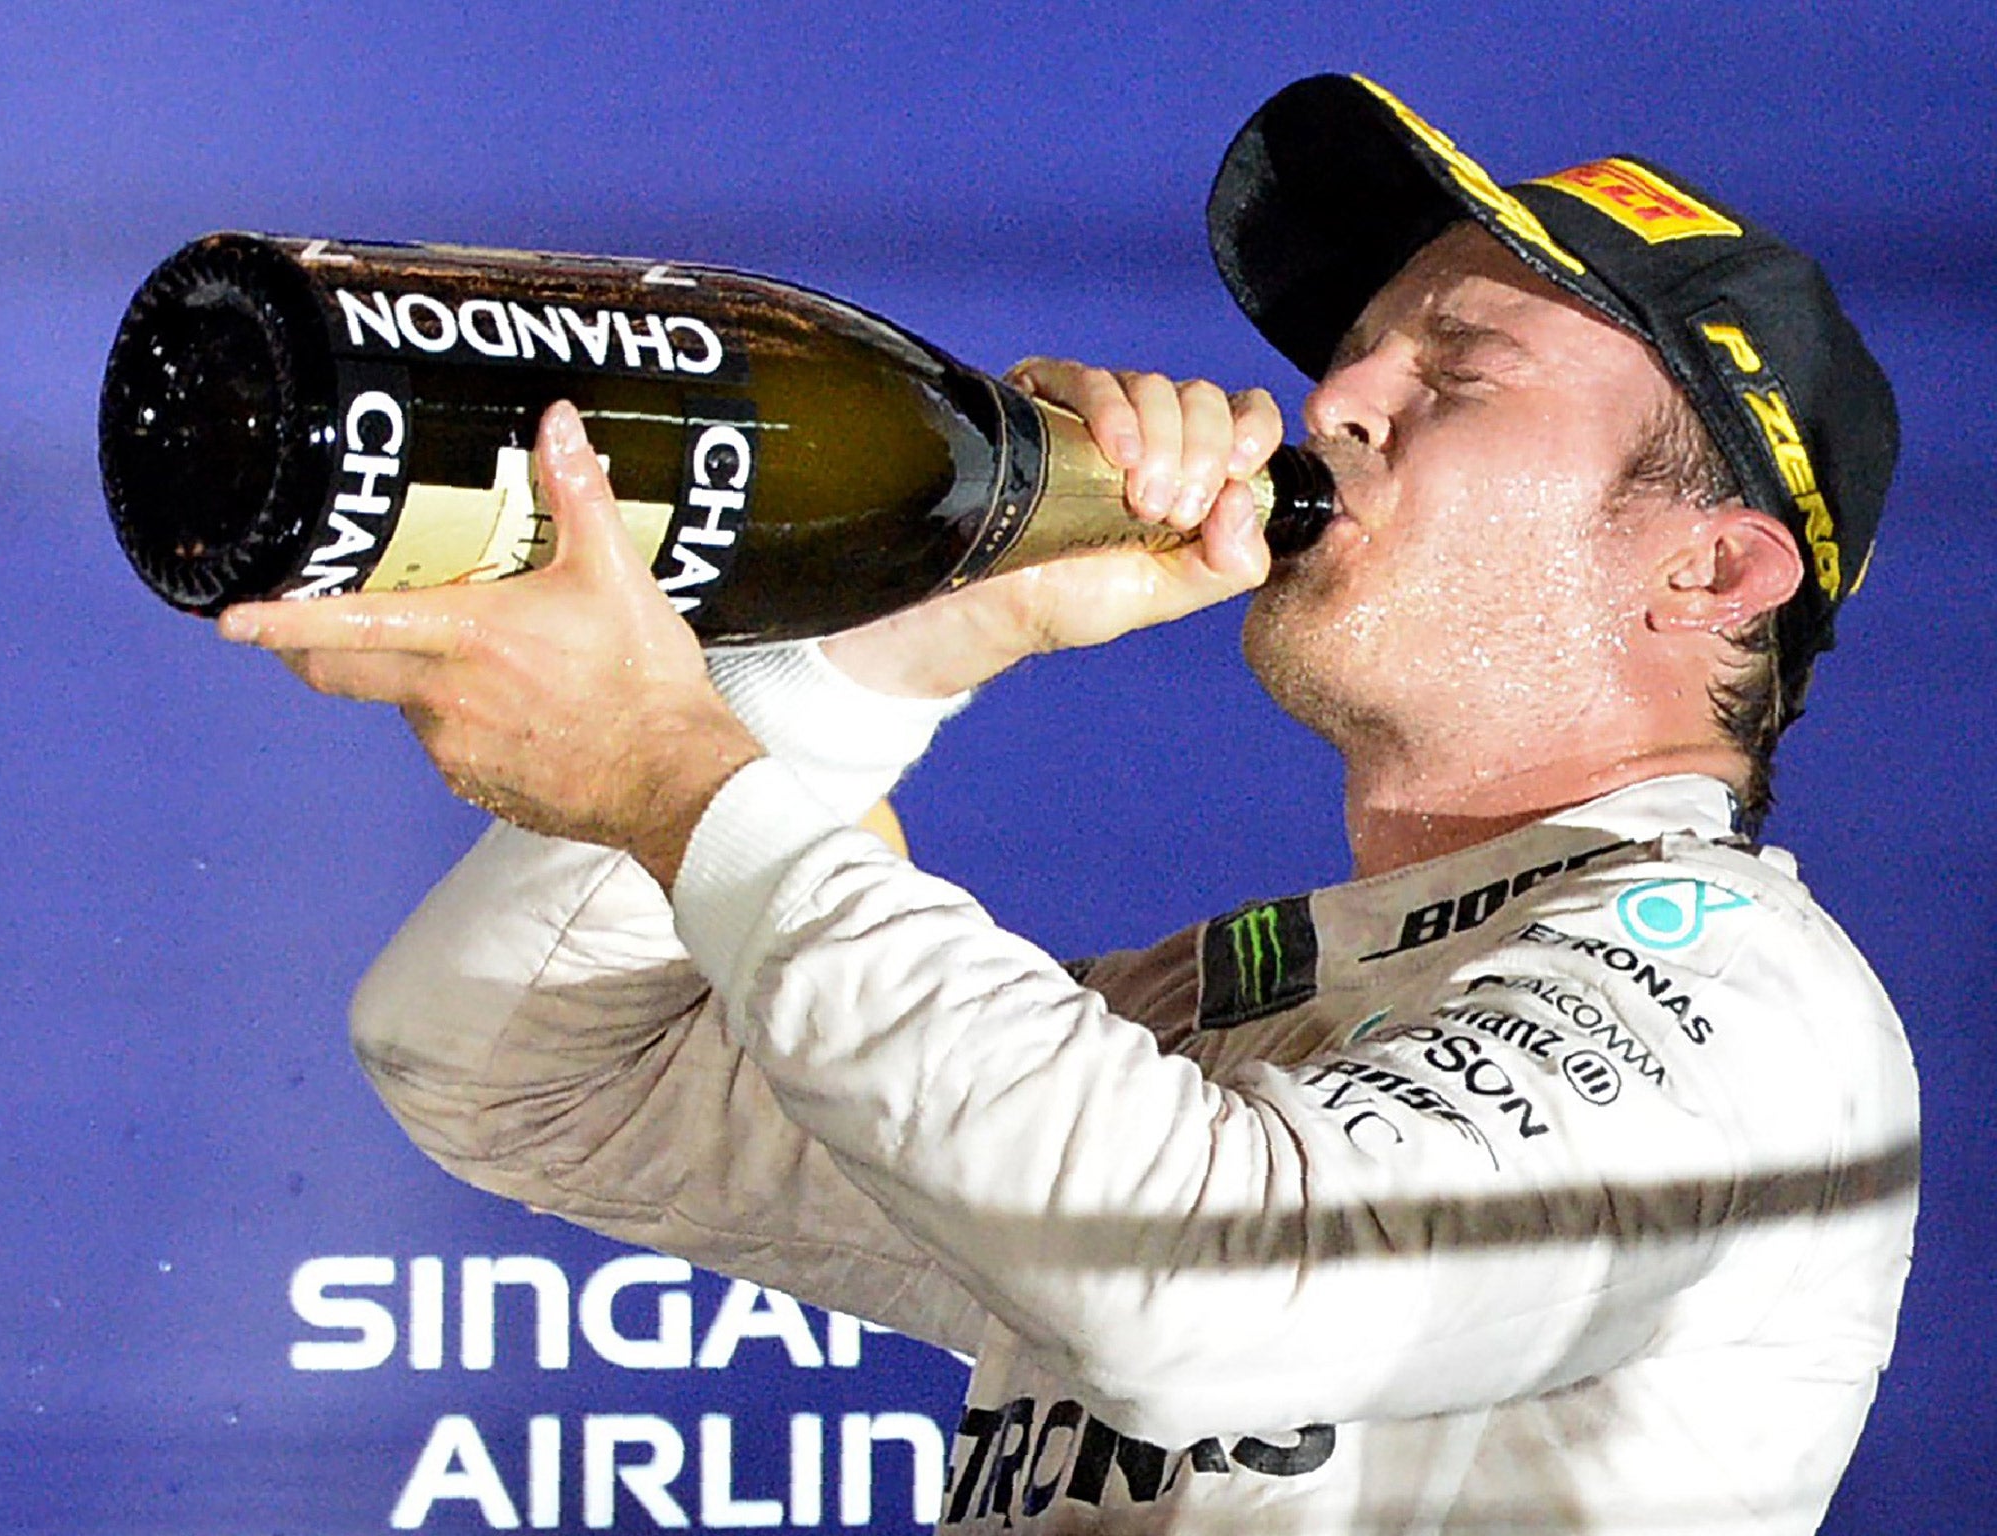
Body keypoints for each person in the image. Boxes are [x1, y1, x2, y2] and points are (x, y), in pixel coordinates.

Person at [221, 74, 1918, 1533]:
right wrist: (913, 639)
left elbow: (1201, 1293)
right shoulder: (1236, 1032)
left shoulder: (1743, 1008)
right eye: (1354, 352)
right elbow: (515, 1064)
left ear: (1711, 566)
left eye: (1456, 373)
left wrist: (678, 774)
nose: (1335, 402)